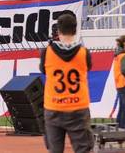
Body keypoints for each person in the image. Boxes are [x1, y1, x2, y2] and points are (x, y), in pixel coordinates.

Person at [40, 12, 92, 153]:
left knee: (54, 150)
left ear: (58, 31)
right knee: (83, 149)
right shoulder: (84, 52)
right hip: (78, 107)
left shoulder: (46, 52)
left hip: (53, 107)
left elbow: (44, 70)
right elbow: (88, 68)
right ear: (75, 30)